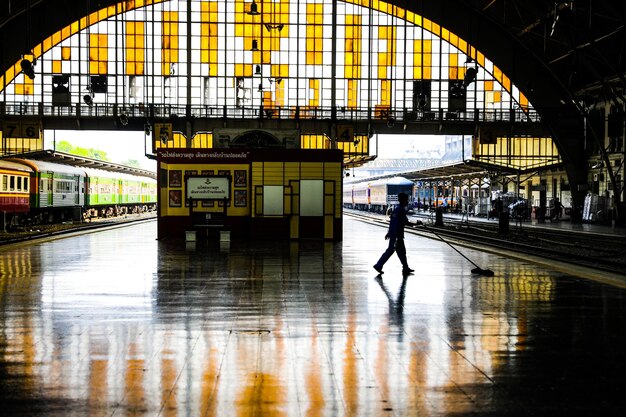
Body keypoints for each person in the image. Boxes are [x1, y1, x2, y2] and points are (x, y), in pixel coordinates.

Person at [373, 192, 415, 275]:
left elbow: (392, 222)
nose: (407, 201)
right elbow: (405, 222)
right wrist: (416, 224)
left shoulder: (397, 209)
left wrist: (389, 233)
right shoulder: (400, 210)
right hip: (397, 236)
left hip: (395, 234)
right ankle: (378, 265)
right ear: (404, 200)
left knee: (401, 252)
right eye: (407, 200)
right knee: (390, 251)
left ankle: (405, 268)